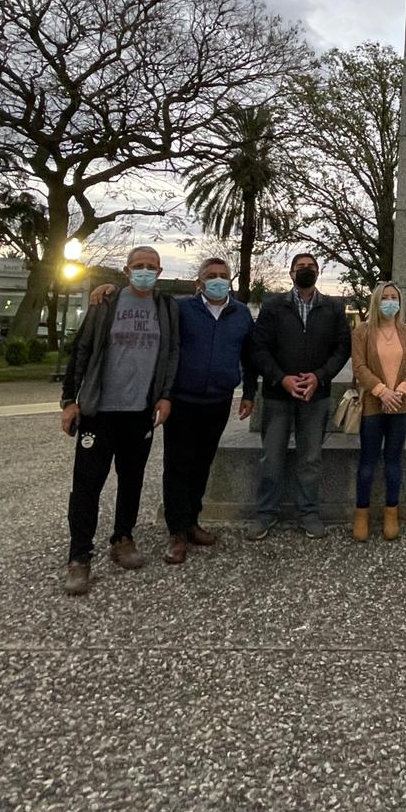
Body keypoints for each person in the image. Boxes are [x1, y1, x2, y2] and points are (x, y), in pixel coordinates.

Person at [58, 246, 180, 596]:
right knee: (86, 486)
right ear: (126, 271)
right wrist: (70, 400)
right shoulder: (105, 304)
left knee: (132, 481)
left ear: (159, 271)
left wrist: (165, 395)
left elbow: (171, 353)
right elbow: (82, 350)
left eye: (151, 267)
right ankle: (79, 557)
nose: (145, 271)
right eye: (138, 266)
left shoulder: (166, 307)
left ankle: (122, 538)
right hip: (100, 411)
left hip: (140, 412)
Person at [162, 258, 258, 565]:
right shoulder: (181, 310)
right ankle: (177, 531)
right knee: (178, 465)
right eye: (211, 276)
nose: (218, 280)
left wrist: (250, 393)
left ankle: (192, 521)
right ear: (199, 282)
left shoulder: (241, 313)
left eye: (223, 276)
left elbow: (249, 356)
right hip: (182, 399)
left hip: (218, 400)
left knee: (202, 464)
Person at [249, 252, 352, 540]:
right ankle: (265, 514)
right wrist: (281, 379)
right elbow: (259, 347)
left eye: (311, 267)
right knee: (271, 457)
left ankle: (309, 513)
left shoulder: (333, 308)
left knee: (310, 458)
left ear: (318, 272)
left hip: (315, 396)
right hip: (277, 394)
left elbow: (342, 348)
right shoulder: (273, 306)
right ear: (291, 273)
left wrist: (319, 376)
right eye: (300, 267)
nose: (306, 270)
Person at [348, 282, 406, 542]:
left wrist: (400, 392)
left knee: (393, 461)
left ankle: (391, 513)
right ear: (377, 301)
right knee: (367, 462)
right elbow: (359, 366)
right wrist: (382, 391)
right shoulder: (363, 332)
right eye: (386, 297)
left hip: (401, 405)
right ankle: (362, 514)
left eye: (395, 297)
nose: (390, 301)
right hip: (373, 405)